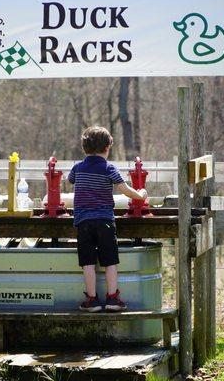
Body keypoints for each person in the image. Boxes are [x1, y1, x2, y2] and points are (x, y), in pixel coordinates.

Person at [68, 126, 147, 312]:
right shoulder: (109, 168)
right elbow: (125, 190)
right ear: (107, 148)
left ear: (84, 148)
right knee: (110, 261)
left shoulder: (78, 168)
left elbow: (71, 179)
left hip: (83, 222)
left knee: (87, 262)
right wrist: (141, 194)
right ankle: (112, 298)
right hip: (104, 220)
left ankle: (92, 301)